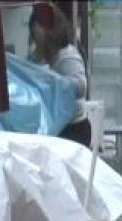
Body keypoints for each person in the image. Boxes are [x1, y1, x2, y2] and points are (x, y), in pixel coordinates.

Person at [30, 4, 91, 148]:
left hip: (72, 127)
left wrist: (53, 82)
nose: (36, 30)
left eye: (40, 25)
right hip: (51, 125)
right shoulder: (35, 56)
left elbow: (81, 86)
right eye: (35, 25)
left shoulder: (66, 54)